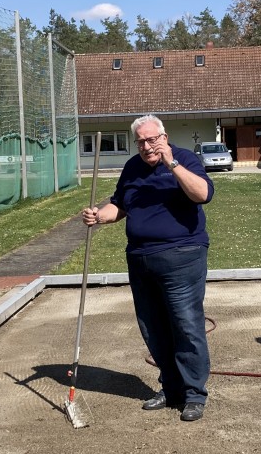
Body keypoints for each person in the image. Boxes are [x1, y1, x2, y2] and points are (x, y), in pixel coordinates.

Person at [81, 115, 214, 422]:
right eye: (140, 141)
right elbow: (120, 206)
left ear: (164, 138)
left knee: (186, 325)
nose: (146, 146)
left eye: (152, 139)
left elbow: (203, 194)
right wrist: (98, 216)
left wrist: (172, 164)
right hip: (141, 258)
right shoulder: (132, 167)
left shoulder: (184, 159)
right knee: (153, 328)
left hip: (182, 255)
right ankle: (171, 387)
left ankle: (194, 393)